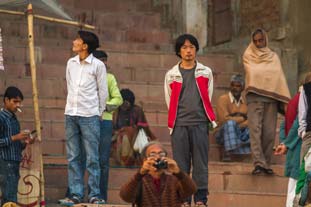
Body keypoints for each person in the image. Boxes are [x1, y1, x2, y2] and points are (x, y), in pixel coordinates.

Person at [164, 34, 217, 206]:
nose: (188, 51)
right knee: (180, 164)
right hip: (179, 124)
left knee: (201, 163)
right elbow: (169, 99)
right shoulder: (171, 74)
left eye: (192, 47)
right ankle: (184, 199)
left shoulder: (205, 71)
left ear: (196, 50)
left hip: (200, 123)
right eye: (184, 48)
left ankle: (201, 199)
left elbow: (208, 96)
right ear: (179, 51)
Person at [63, 30, 107, 204]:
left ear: (85, 46)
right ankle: (76, 194)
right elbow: (69, 85)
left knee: (92, 158)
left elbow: (102, 91)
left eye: (77, 40)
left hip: (90, 115)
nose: (74, 42)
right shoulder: (70, 63)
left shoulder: (98, 65)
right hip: (71, 114)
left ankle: (94, 194)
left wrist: (99, 112)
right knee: (73, 156)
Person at [243, 28, 291, 175]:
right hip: (254, 98)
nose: (258, 43)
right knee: (255, 131)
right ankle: (258, 163)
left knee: (269, 133)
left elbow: (278, 77)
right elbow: (253, 73)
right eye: (256, 41)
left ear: (265, 40)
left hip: (271, 99)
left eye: (261, 40)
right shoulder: (248, 54)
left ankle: (266, 163)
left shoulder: (273, 56)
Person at [119, 141, 196, 207]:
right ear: (145, 159)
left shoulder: (173, 180)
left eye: (161, 154)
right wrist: (140, 174)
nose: (157, 158)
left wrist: (179, 173)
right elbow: (126, 196)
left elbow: (191, 190)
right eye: (152, 155)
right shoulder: (140, 181)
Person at [92, 50, 123, 201]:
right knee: (83, 158)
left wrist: (103, 106)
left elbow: (118, 99)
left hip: (105, 121)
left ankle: (101, 196)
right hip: (86, 120)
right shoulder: (85, 77)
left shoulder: (110, 78)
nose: (104, 63)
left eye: (105, 60)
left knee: (103, 161)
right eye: (101, 60)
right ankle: (75, 194)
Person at [0, 86, 35, 204]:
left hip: (14, 162)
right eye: (15, 101)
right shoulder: (1, 118)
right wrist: (15, 137)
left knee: (11, 198)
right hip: (5, 163)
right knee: (9, 199)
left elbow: (16, 146)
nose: (18, 105)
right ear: (6, 100)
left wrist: (25, 143)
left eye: (20, 102)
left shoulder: (14, 119)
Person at [274, 80, 305, 207]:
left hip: (295, 149)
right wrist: (286, 144)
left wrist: (284, 142)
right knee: (297, 188)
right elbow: (298, 124)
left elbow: (284, 124)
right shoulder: (302, 100)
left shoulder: (294, 101)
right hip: (299, 149)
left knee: (293, 187)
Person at [111, 88, 156, 167]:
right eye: (122, 103)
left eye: (126, 103)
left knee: (127, 135)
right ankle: (123, 160)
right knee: (123, 137)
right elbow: (111, 129)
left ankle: (131, 159)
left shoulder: (137, 110)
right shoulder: (115, 112)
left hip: (135, 139)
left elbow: (143, 129)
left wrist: (130, 130)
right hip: (118, 140)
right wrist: (119, 132)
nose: (124, 106)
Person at [214, 74, 250, 161]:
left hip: (239, 131)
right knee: (230, 124)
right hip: (222, 133)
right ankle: (228, 152)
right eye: (233, 85)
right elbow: (224, 119)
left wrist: (238, 124)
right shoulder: (223, 99)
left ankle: (243, 155)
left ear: (242, 88)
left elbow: (250, 120)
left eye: (238, 86)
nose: (235, 88)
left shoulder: (246, 102)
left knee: (253, 126)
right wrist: (242, 118)